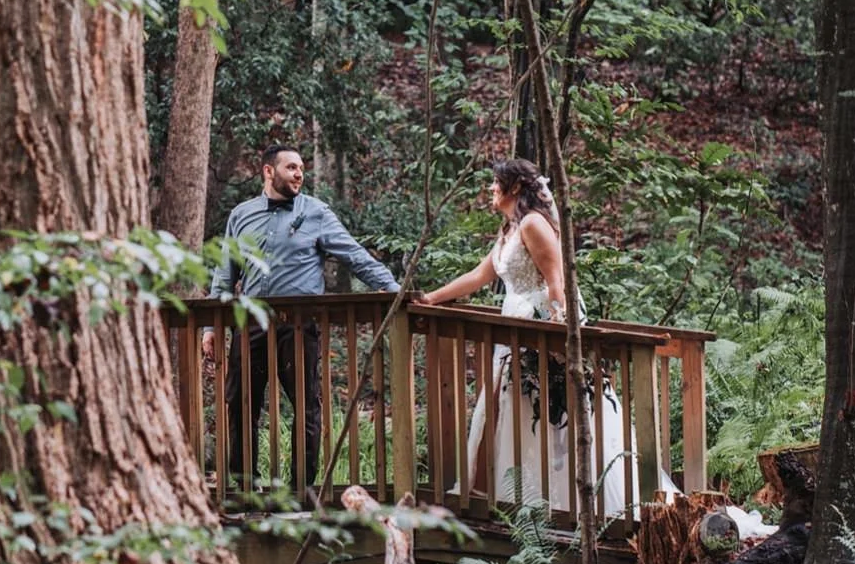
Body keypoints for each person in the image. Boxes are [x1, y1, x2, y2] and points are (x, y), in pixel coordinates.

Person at [417, 158, 647, 515]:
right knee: (516, 409)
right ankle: (520, 503)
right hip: (514, 326)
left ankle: (568, 505)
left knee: (551, 412)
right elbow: (479, 275)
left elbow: (557, 281)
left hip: (539, 326)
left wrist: (559, 336)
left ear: (514, 187)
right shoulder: (510, 228)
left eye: (496, 182)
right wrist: (431, 298)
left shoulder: (534, 224)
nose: (491, 188)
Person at [209, 144, 398, 493]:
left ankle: (301, 491)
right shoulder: (241, 215)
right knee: (240, 402)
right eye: (292, 168)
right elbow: (224, 274)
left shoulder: (316, 212)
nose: (299, 174)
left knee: (306, 404)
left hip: (298, 325)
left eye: (301, 168)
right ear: (269, 171)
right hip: (249, 323)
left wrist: (395, 290)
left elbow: (355, 256)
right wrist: (210, 325)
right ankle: (246, 488)